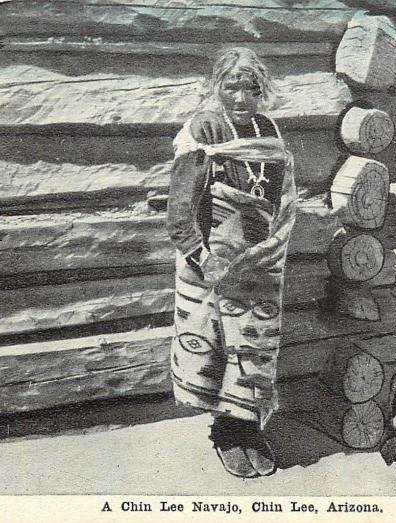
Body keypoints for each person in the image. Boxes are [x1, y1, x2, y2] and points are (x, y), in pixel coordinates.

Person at [166, 47, 297, 478]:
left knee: (254, 348)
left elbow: (279, 195)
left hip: (259, 261)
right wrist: (203, 259)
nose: (241, 97)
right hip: (213, 262)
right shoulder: (204, 129)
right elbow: (181, 207)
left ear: (263, 92)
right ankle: (226, 434)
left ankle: (247, 427)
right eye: (232, 86)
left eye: (251, 88)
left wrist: (268, 247)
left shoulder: (268, 129)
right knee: (220, 345)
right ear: (215, 87)